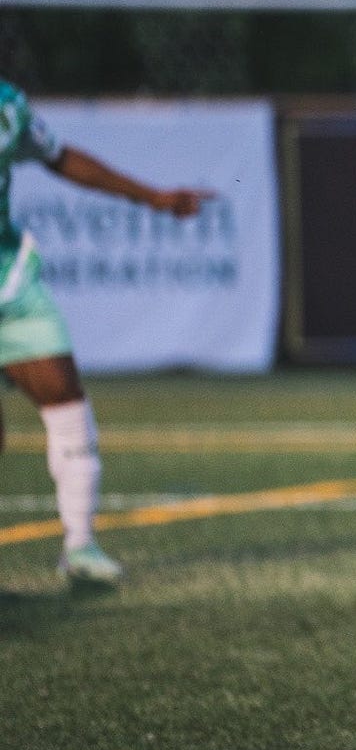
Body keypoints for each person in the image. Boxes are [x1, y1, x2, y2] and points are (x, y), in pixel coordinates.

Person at [0, 78, 214, 587]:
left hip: (9, 280)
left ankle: (80, 546)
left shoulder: (8, 106)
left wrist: (151, 197)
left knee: (65, 397)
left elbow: (62, 158)